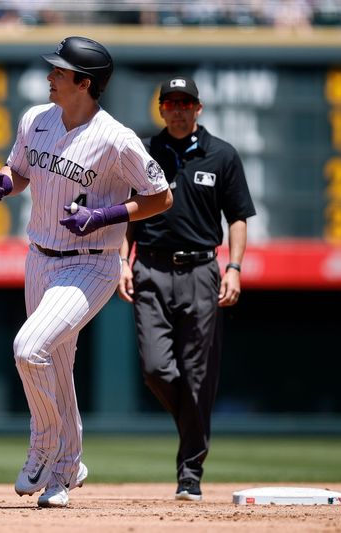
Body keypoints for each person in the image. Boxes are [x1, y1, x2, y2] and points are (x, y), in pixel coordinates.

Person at [0, 36, 172, 508]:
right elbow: (20, 170)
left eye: (60, 72)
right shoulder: (35, 120)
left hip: (92, 263)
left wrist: (104, 217)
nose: (50, 76)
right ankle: (66, 472)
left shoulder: (115, 137)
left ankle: (43, 447)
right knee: (56, 366)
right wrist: (3, 182)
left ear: (84, 83)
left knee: (29, 349)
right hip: (40, 258)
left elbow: (161, 196)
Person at [117, 75, 255, 502]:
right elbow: (126, 215)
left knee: (198, 375)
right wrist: (122, 260)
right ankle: (193, 428)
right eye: (170, 103)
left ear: (199, 108)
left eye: (185, 103)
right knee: (157, 369)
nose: (178, 109)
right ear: (161, 109)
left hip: (201, 271)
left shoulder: (222, 155)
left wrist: (233, 267)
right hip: (151, 270)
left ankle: (189, 473)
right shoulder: (143, 152)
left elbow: (237, 217)